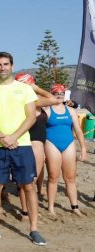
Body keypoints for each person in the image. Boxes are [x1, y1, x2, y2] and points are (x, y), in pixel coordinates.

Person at [0, 52, 47, 246]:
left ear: (12, 66)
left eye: (6, 64)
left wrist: (14, 137)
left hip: (22, 145)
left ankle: (34, 229)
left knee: (28, 186)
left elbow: (31, 116)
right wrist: (3, 137)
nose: (2, 68)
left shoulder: (25, 89)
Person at [14, 73, 57, 218]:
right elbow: (53, 99)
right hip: (31, 142)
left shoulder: (34, 100)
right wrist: (36, 88)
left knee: (29, 180)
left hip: (38, 143)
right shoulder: (30, 102)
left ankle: (28, 212)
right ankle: (27, 212)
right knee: (28, 180)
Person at [44, 84, 88, 216]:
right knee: (53, 177)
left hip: (68, 143)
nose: (59, 95)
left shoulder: (71, 110)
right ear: (51, 94)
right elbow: (39, 130)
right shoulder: (47, 110)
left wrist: (83, 148)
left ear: (65, 95)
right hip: (51, 144)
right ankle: (51, 206)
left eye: (61, 93)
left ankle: (75, 206)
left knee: (70, 178)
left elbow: (78, 130)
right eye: (56, 93)